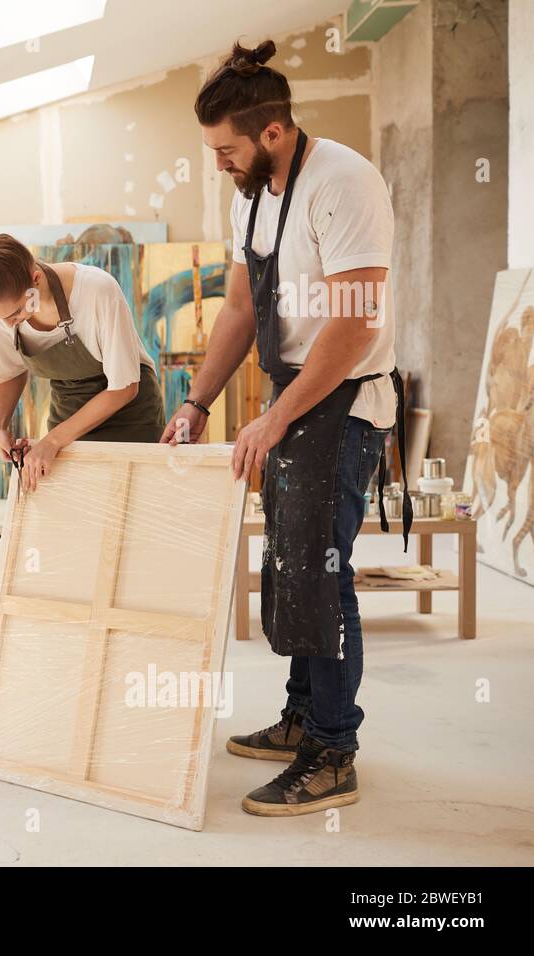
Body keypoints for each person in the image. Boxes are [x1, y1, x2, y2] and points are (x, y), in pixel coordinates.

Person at [163, 39, 412, 816]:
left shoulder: (344, 183)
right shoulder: (252, 195)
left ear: (272, 132)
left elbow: (355, 325)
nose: (217, 165)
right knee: (290, 564)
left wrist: (274, 417)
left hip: (343, 399)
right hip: (297, 393)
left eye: (226, 149)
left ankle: (334, 750)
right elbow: (241, 307)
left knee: (320, 572)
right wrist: (197, 401)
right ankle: (304, 714)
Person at [0, 233, 165, 492]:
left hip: (129, 414)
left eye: (15, 313)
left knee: (131, 508)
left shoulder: (97, 291)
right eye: (1, 318)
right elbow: (10, 371)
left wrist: (53, 441)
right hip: (68, 412)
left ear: (36, 278)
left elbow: (124, 387)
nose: (10, 323)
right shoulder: (2, 310)